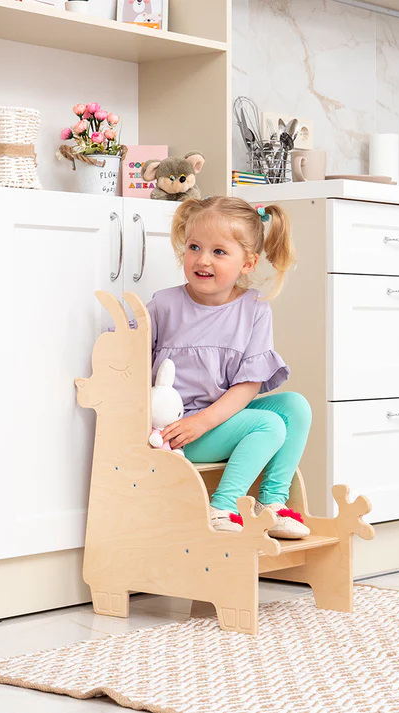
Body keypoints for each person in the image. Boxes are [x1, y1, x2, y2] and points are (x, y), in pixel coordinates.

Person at [148, 196, 312, 538]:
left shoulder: (254, 309)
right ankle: (222, 507)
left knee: (296, 407)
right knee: (268, 425)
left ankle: (272, 504)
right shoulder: (165, 304)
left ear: (248, 263)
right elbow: (125, 353)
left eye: (219, 252)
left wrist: (203, 421)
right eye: (194, 247)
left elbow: (248, 385)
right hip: (175, 434)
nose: (202, 260)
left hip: (209, 422)